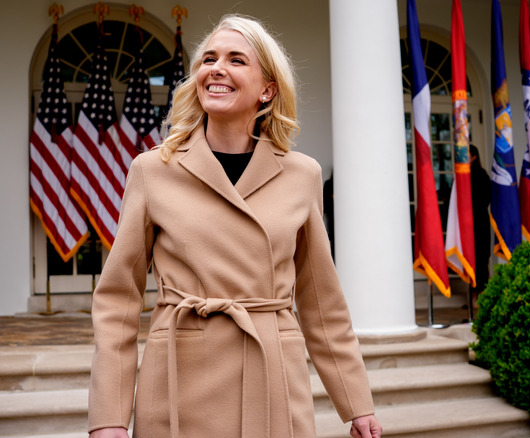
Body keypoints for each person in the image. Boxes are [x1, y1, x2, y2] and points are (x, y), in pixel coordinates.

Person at [88, 14, 381, 438]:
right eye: (209, 58)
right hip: (178, 376)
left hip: (271, 374)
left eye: (236, 59)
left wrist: (356, 404)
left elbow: (322, 302)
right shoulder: (153, 170)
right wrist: (109, 416)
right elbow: (117, 300)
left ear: (267, 89)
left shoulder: (302, 175)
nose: (216, 68)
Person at [469, 145, 491, 312]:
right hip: (468, 224)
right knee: (470, 259)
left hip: (480, 222)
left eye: (466, 154)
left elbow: (487, 197)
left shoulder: (481, 175)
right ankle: (473, 296)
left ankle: (483, 296)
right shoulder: (463, 175)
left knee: (481, 259)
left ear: (474, 156)